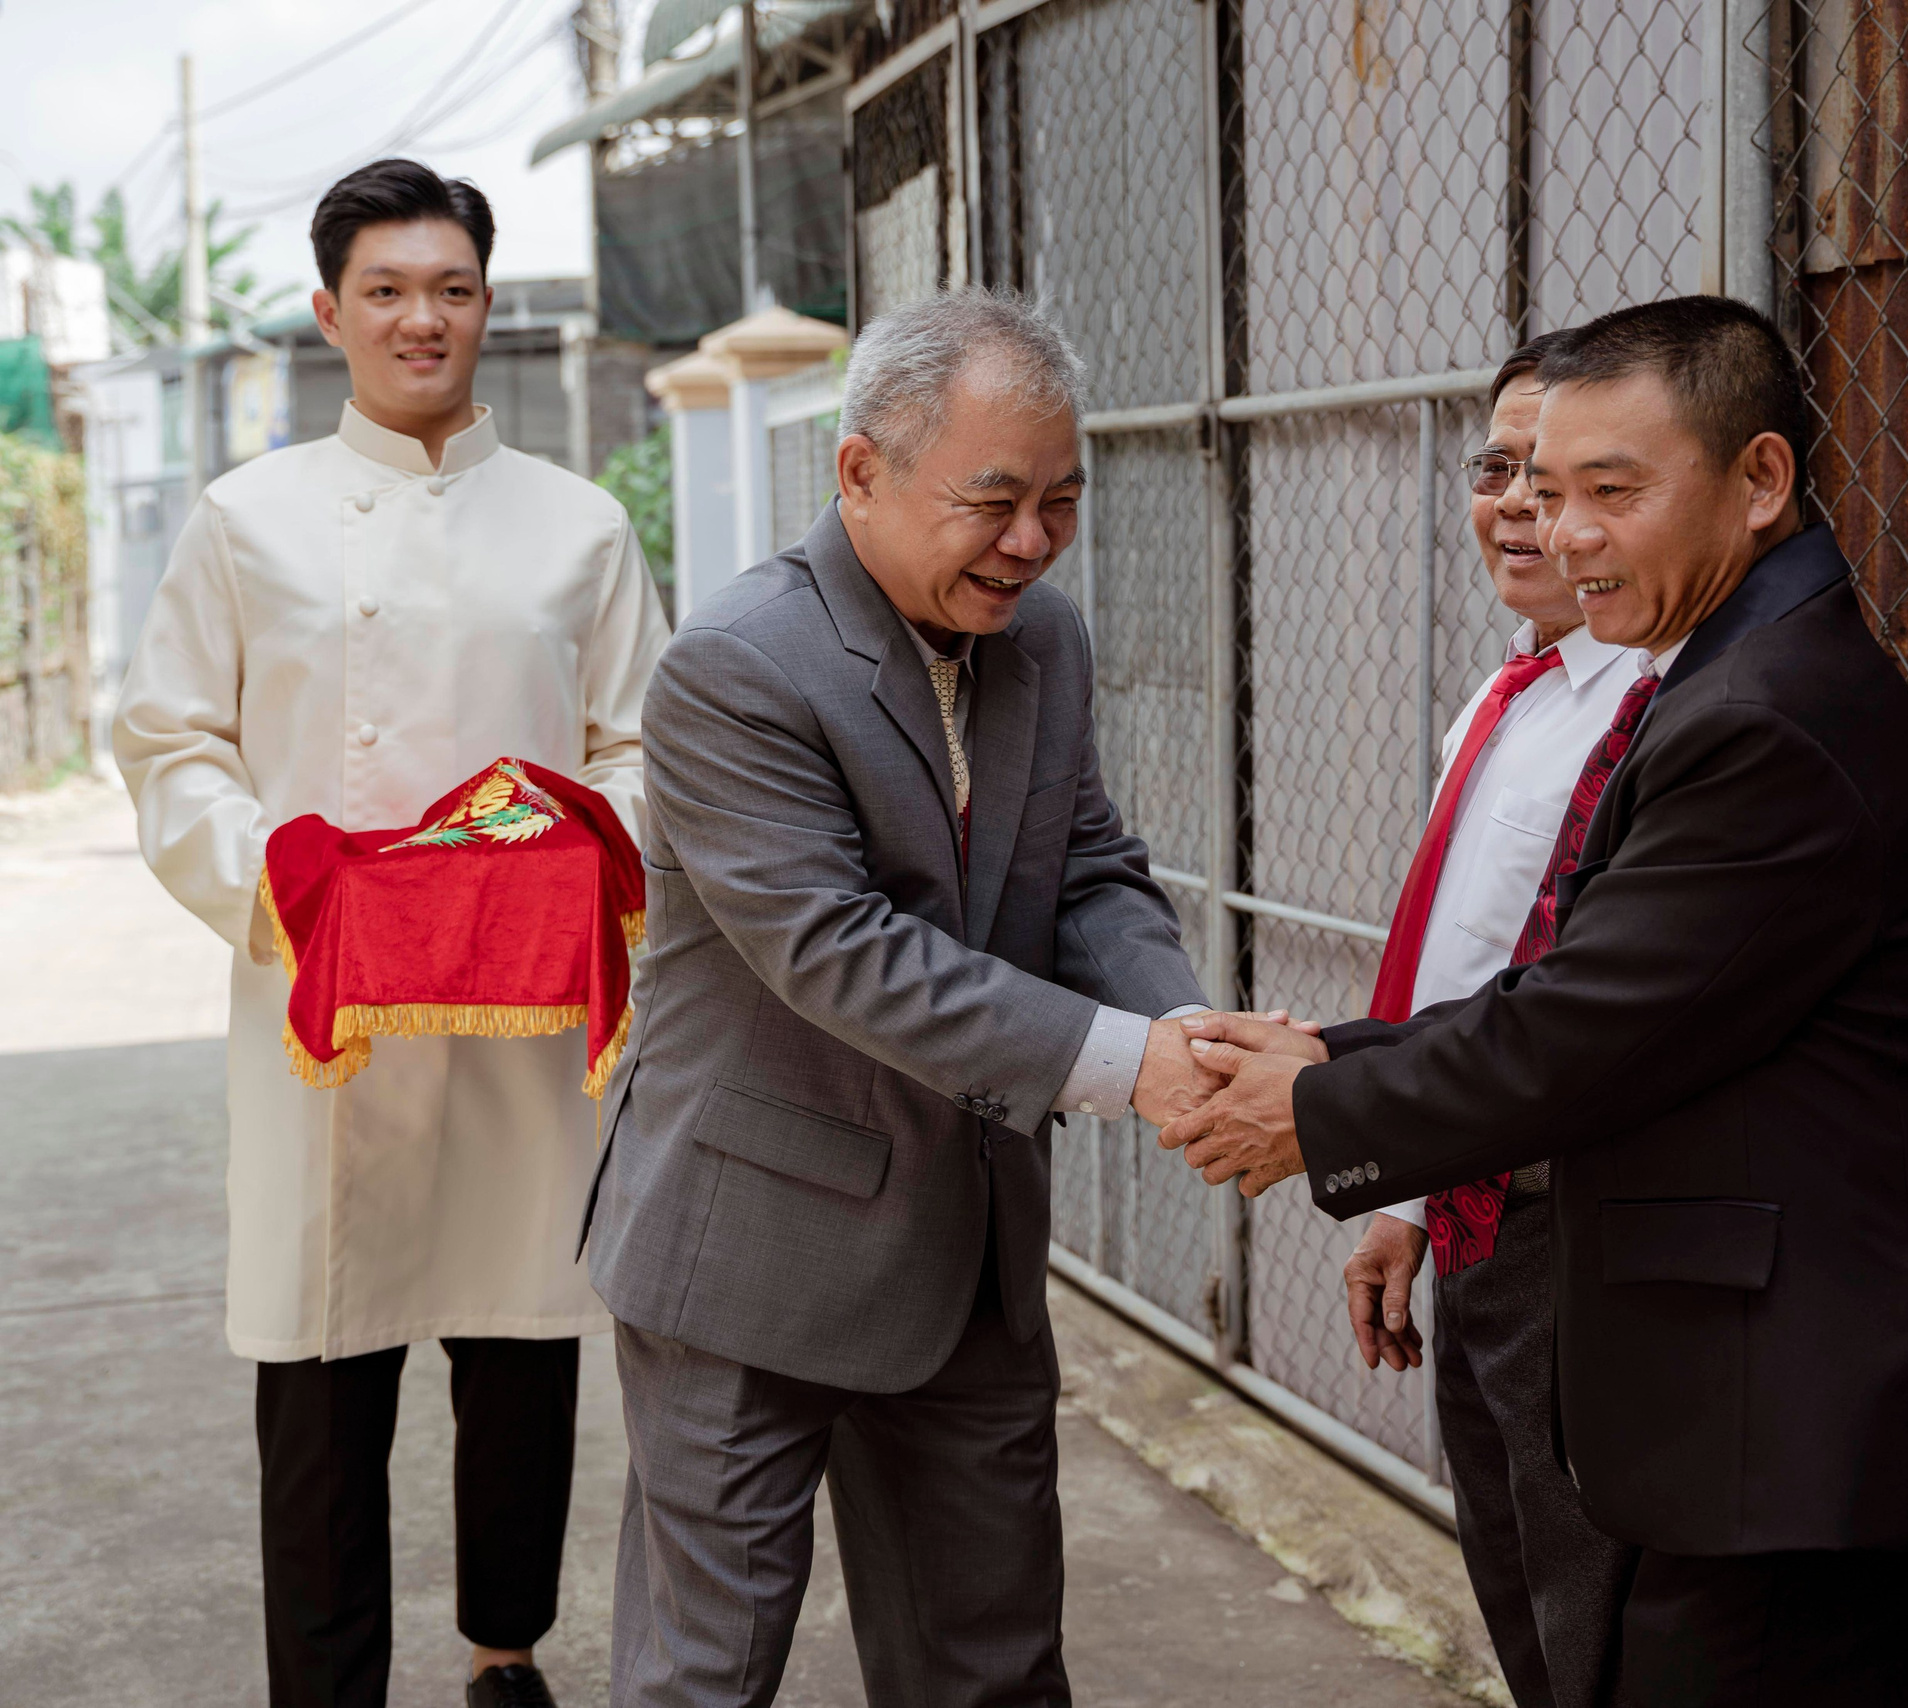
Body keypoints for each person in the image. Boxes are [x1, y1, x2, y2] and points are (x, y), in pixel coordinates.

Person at [1166, 295, 1908, 1707]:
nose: (1563, 533)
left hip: (1804, 1443)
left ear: (1760, 482)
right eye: (1542, 489)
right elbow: (1587, 995)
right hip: (1759, 1427)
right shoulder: (1735, 676)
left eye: (1612, 493)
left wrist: (1318, 1108)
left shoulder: (1761, 719)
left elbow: (1576, 1038)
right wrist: (1334, 1051)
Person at [586, 288, 1229, 1708]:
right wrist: (1134, 1067)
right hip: (751, 1249)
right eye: (993, 500)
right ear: (861, 470)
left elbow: (1091, 873)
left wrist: (1182, 1026)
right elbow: (840, 951)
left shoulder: (1042, 641)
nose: (1031, 542)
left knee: (992, 1666)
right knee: (708, 1673)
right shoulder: (737, 666)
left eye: (1061, 500)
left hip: (971, 1245)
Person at [114, 160, 669, 1708]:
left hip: (519, 1020)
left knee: (518, 1361)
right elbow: (171, 743)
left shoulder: (576, 527)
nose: (422, 317)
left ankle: (507, 1657)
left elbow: (642, 747)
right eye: (388, 291)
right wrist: (282, 886)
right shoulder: (249, 520)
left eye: (452, 289)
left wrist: (573, 862)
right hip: (326, 1026)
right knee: (319, 1386)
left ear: (488, 306)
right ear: (329, 313)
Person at [1341, 331, 1641, 1708]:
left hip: (1571, 1226)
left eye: (1562, 476)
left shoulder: (1647, 710)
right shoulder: (1509, 695)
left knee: (1591, 1615)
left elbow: (1566, 1009)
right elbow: (1460, 962)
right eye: (1497, 469)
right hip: (1468, 1212)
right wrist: (1394, 1197)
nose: (1518, 504)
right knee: (1515, 1582)